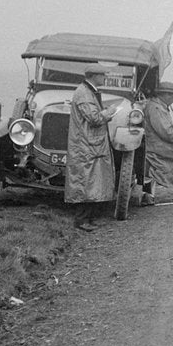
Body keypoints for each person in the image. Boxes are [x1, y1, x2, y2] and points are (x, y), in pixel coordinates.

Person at [66, 63, 118, 231]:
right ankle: (81, 221)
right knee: (85, 181)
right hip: (85, 145)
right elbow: (94, 118)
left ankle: (88, 218)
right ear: (94, 76)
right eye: (103, 75)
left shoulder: (87, 91)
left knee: (90, 180)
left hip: (89, 143)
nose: (105, 78)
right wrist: (109, 112)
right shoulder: (84, 93)